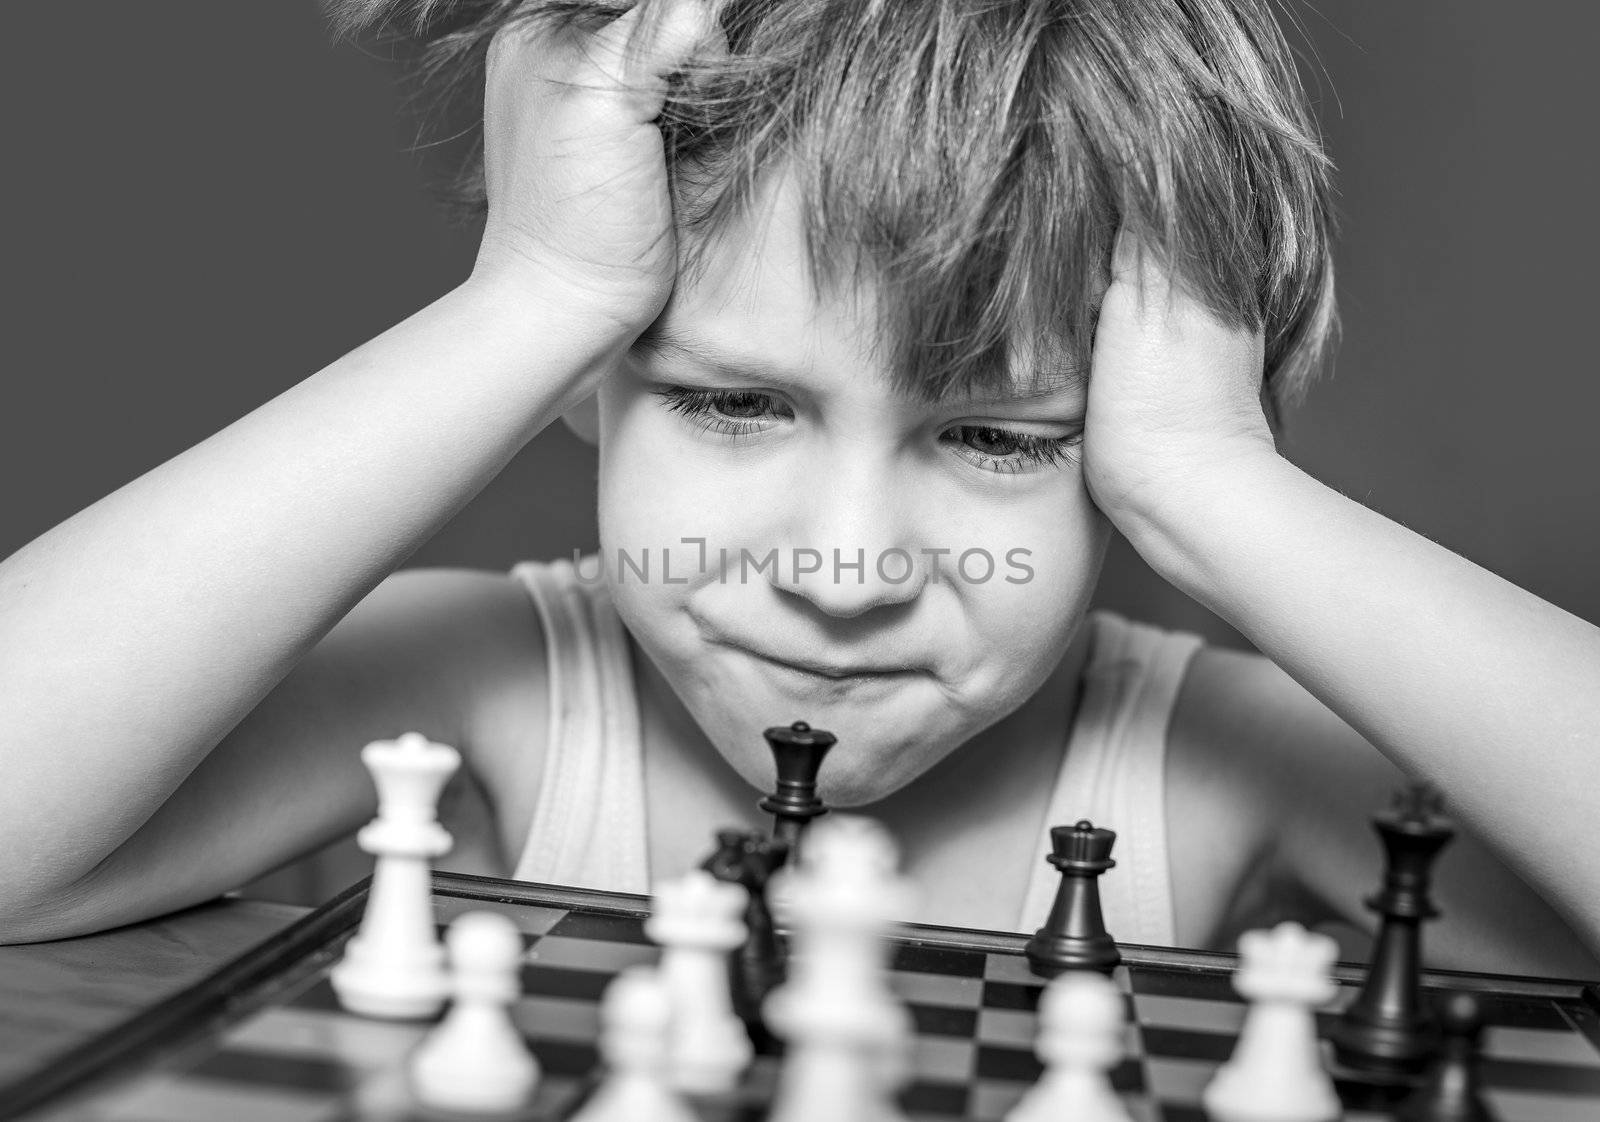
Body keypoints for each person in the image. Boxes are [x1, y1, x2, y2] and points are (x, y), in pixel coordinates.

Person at [1, 0, 1596, 979]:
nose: (846, 570)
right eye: (733, 399)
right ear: (586, 378)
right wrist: (532, 295)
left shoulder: (1203, 757)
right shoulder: (493, 688)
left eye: (1001, 437)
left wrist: (1212, 480)